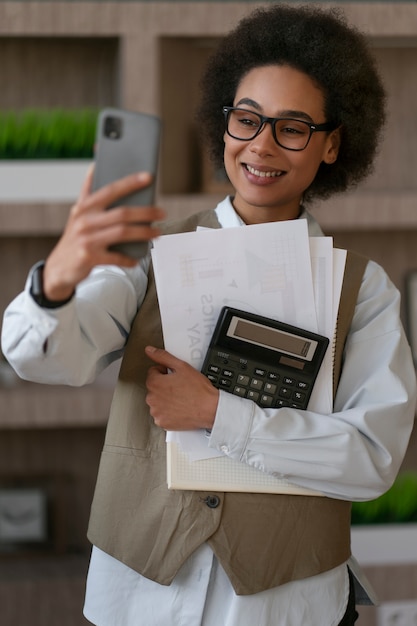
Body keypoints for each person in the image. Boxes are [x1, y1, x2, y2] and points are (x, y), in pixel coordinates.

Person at [2, 4, 416, 625]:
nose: (262, 146)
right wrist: (57, 280)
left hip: (287, 606)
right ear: (224, 125)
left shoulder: (366, 291)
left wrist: (222, 416)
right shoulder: (149, 254)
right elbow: (42, 359)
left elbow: (371, 459)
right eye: (246, 120)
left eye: (293, 127)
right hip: (139, 599)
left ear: (332, 144)